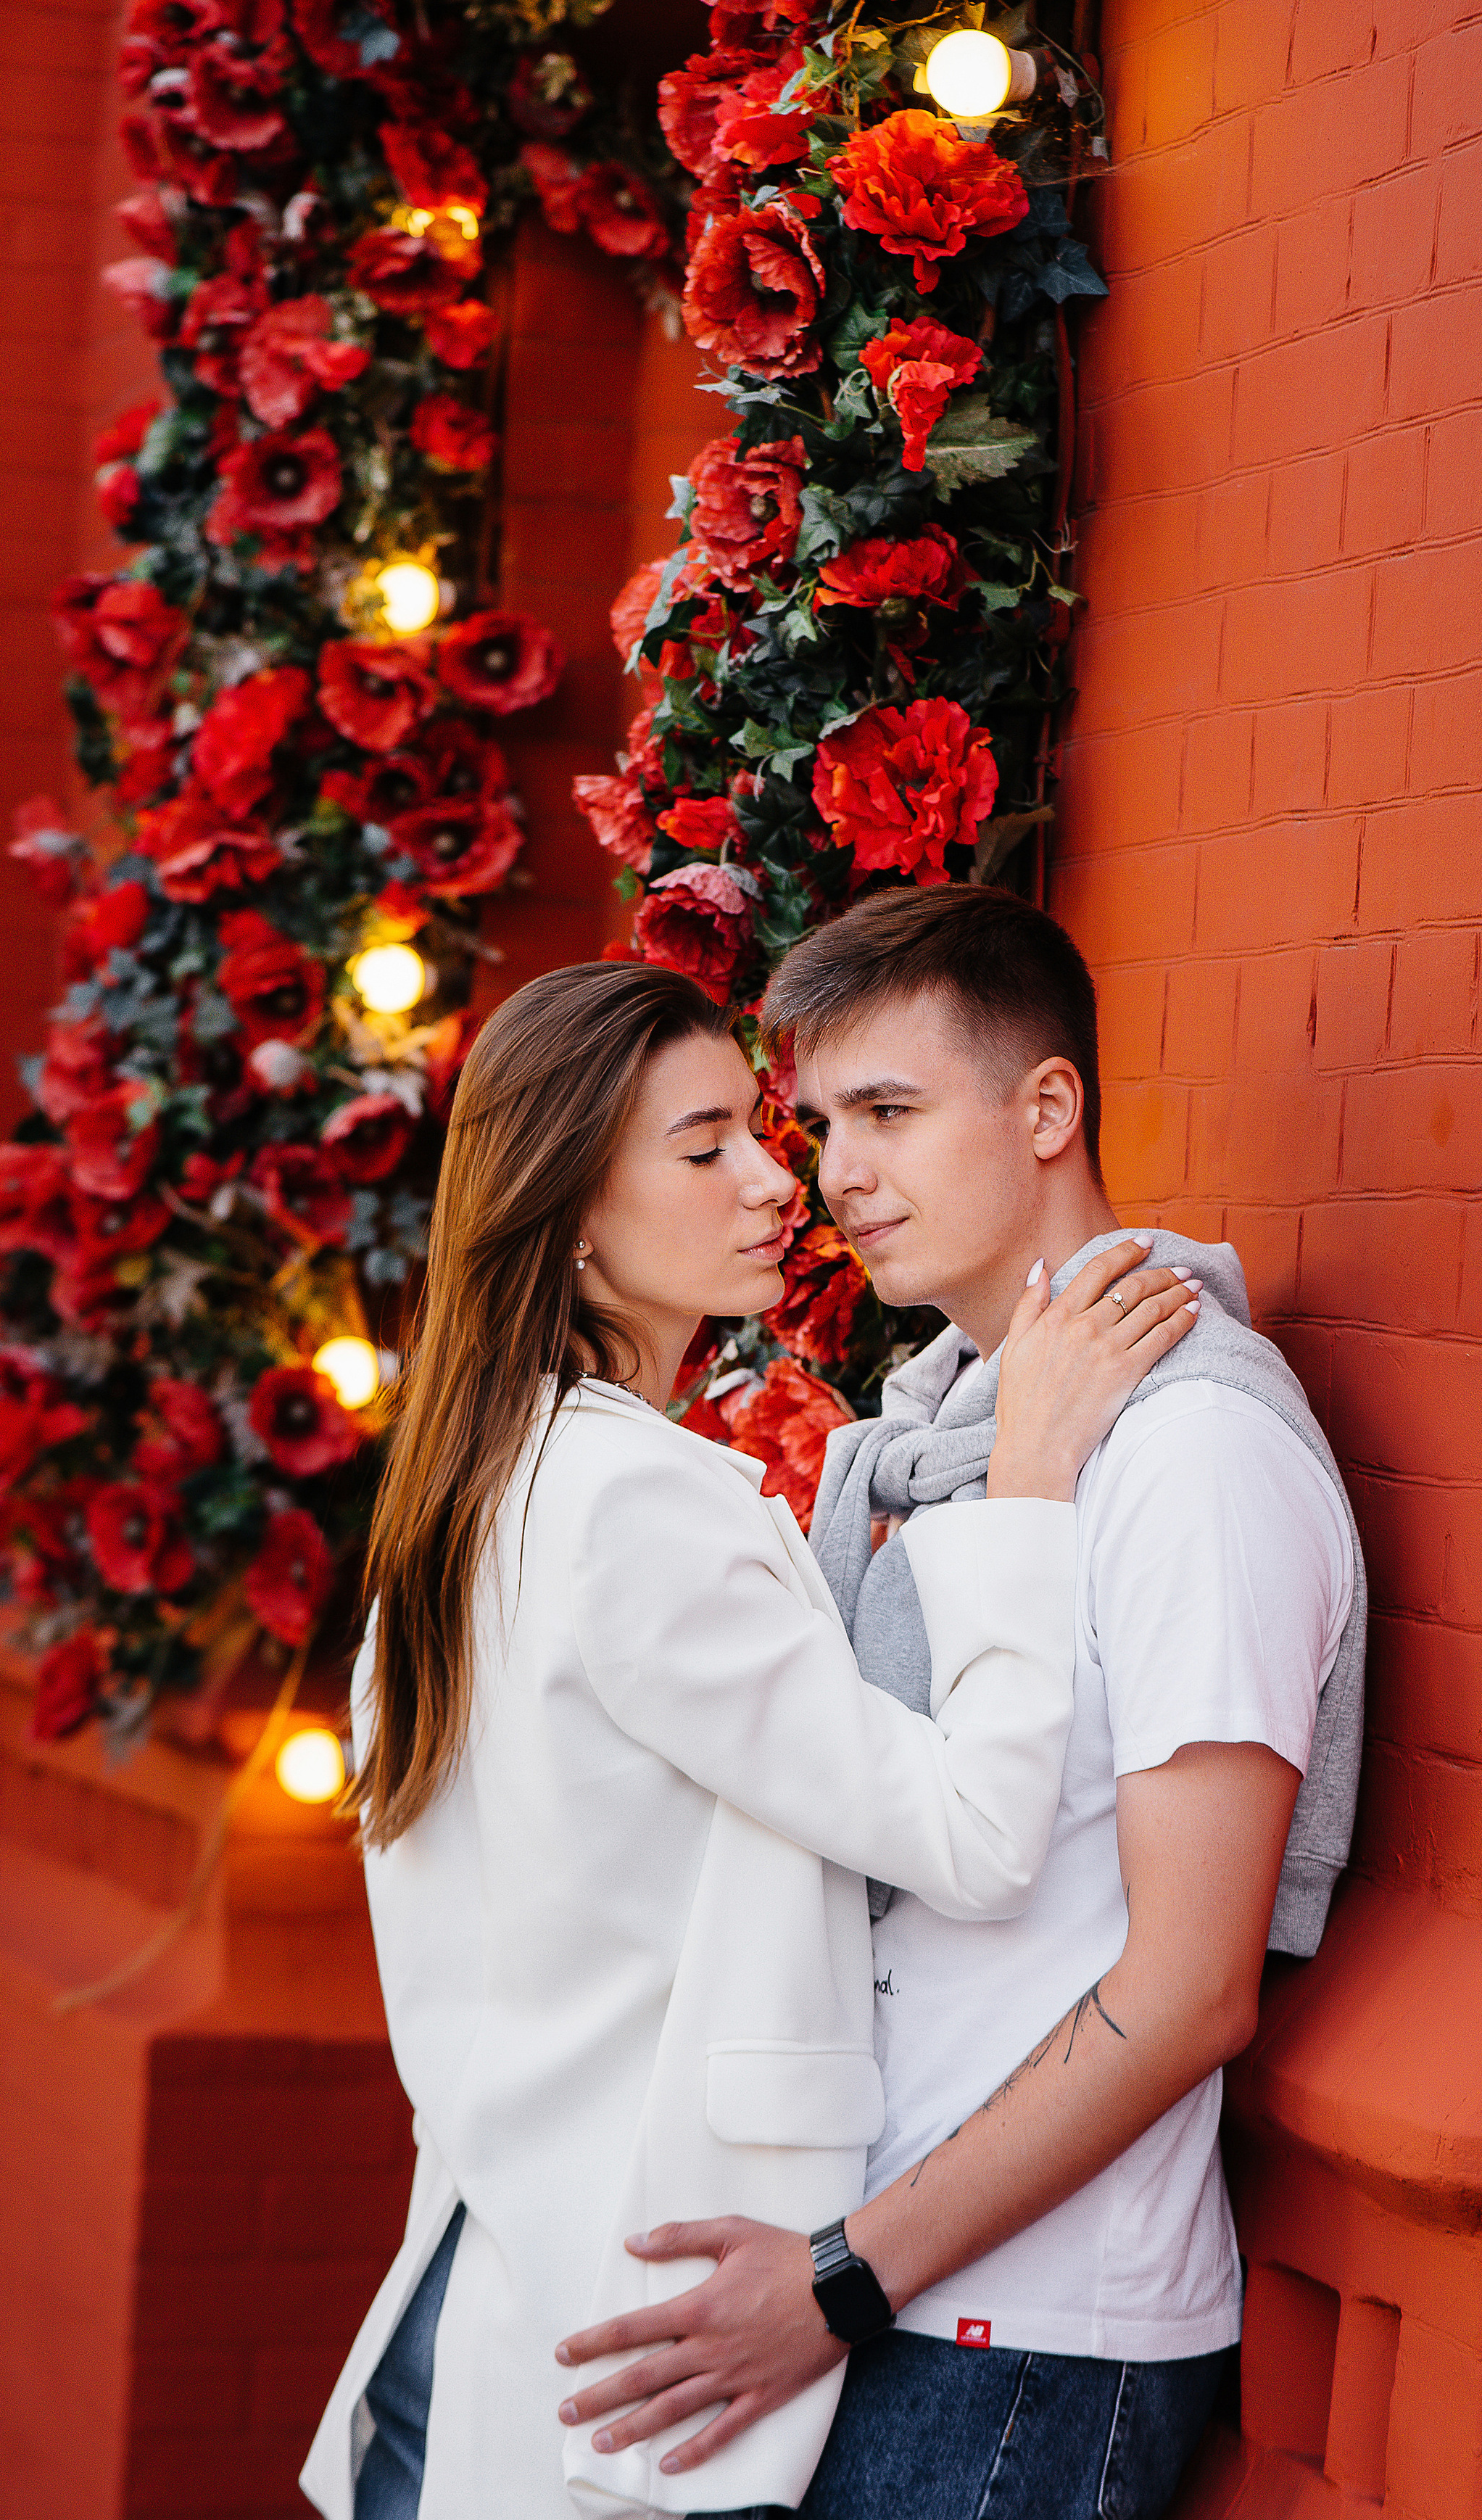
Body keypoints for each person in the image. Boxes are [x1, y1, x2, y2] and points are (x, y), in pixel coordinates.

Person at [298, 959, 1199, 2520]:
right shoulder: (627, 1502)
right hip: (622, 2355)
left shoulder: (476, 1482)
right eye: (703, 1145)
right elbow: (976, 1837)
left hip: (492, 2317)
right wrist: (1031, 1482)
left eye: (757, 1131)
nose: (779, 1180)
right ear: (572, 1213)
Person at [555, 888, 1366, 2520]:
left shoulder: (1191, 1456)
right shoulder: (930, 1444)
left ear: (1046, 1107)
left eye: (889, 1113)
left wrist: (840, 2280)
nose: (836, 1172)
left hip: (1021, 2336)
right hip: (877, 2292)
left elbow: (1191, 1986)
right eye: (820, 1121)